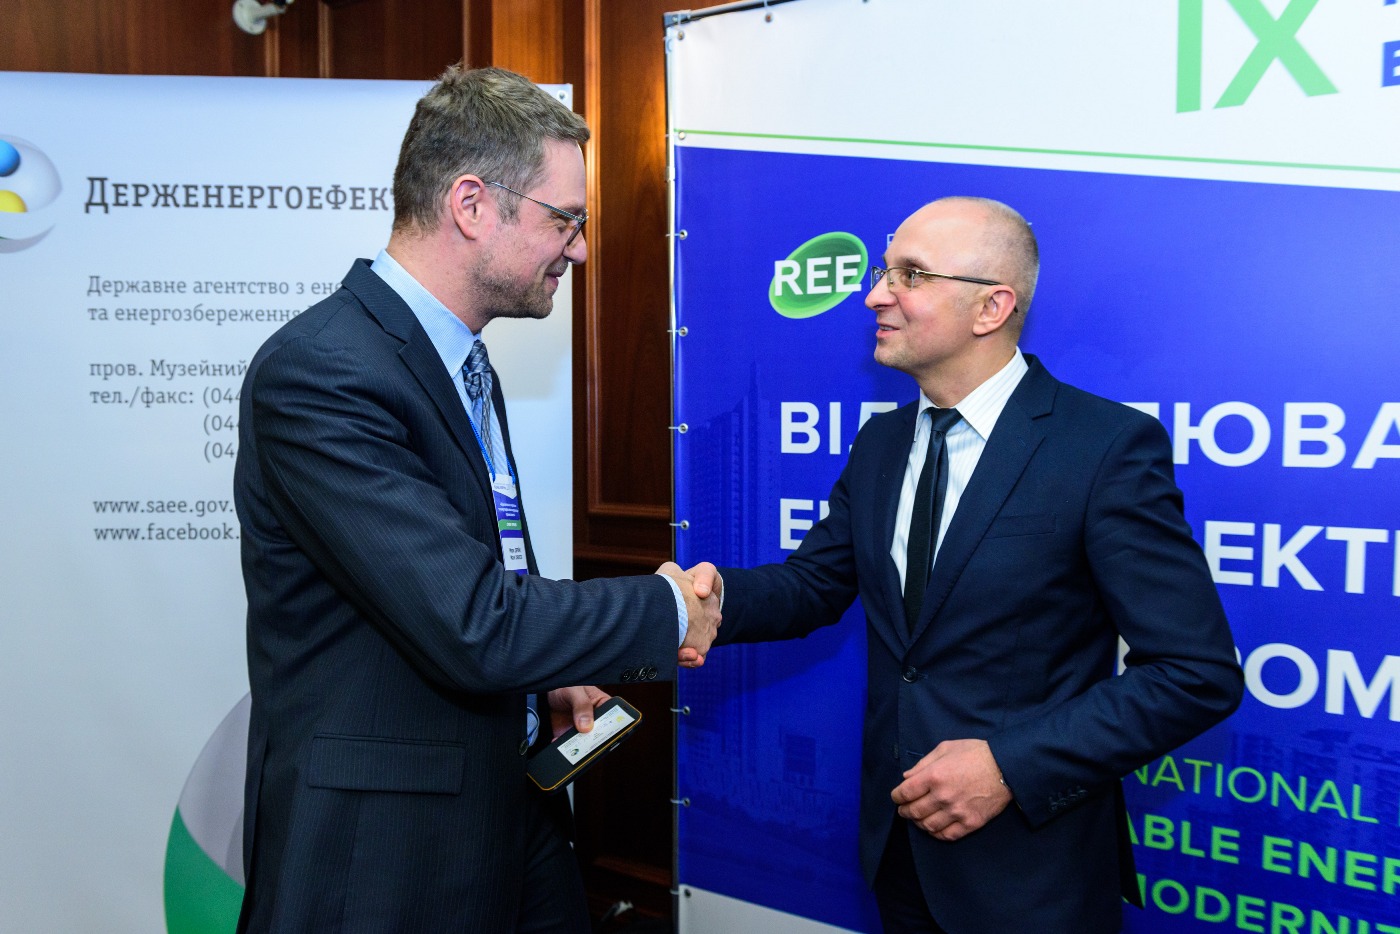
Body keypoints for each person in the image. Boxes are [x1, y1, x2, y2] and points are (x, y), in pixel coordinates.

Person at [233, 65, 719, 933]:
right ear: (471, 204)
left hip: (510, 809)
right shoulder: (324, 371)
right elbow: (473, 621)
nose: (579, 249)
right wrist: (667, 607)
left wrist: (543, 681)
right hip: (386, 855)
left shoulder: (461, 360)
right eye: (565, 220)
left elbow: (467, 576)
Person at [686, 196, 1243, 933]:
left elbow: (1194, 674)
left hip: (1032, 874)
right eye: (884, 271)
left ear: (992, 307)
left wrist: (1010, 764)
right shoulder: (882, 443)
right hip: (897, 848)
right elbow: (815, 584)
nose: (875, 295)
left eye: (910, 275)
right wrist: (711, 598)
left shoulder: (1103, 447)